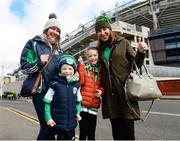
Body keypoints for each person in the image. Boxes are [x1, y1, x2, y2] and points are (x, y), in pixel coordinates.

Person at [94, 15, 147, 140]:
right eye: (99, 31)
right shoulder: (98, 50)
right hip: (110, 99)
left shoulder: (123, 42)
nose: (102, 33)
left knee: (128, 133)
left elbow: (136, 66)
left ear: (110, 29)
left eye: (104, 29)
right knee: (117, 135)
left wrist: (140, 52)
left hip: (125, 96)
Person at [20, 13, 63, 140]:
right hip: (41, 93)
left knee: (54, 127)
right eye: (52, 28)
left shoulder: (59, 50)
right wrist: (39, 62)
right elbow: (25, 67)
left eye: (57, 30)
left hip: (56, 93)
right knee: (46, 127)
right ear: (46, 29)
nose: (55, 32)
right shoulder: (33, 43)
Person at [43, 54, 82, 140]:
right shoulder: (54, 84)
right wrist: (48, 117)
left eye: (70, 69)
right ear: (60, 70)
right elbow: (47, 102)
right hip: (57, 126)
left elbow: (78, 102)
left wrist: (78, 113)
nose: (67, 71)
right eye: (64, 68)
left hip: (71, 126)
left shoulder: (76, 85)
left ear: (74, 70)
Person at [77, 47, 104, 140]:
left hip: (93, 105)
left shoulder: (101, 70)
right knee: (83, 133)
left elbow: (103, 85)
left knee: (92, 133)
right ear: (87, 57)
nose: (92, 58)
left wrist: (101, 91)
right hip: (83, 106)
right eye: (90, 56)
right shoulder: (84, 67)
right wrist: (80, 65)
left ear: (98, 56)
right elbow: (81, 81)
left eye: (95, 55)